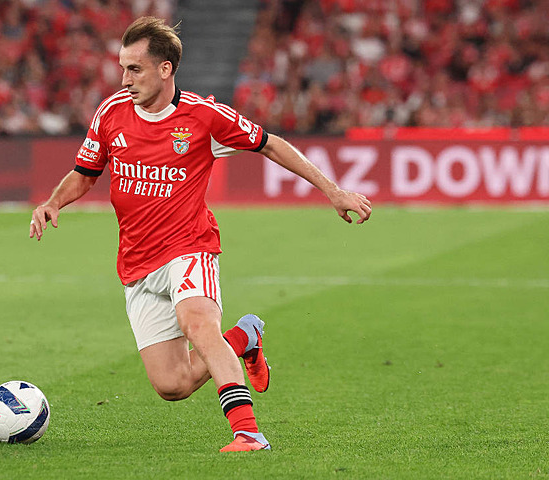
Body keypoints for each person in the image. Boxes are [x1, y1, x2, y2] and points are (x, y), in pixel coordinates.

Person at [29, 16, 371, 452]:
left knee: (198, 324)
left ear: (165, 69)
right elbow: (85, 172)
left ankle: (247, 432)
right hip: (137, 263)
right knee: (172, 385)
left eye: (134, 69)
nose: (125, 79)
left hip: (189, 247)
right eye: (123, 68)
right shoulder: (111, 113)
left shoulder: (203, 117)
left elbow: (270, 143)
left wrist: (334, 191)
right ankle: (244, 338)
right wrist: (54, 202)